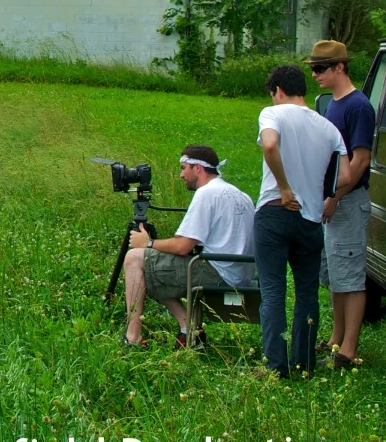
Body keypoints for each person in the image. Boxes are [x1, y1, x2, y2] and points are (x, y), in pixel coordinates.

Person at [255, 65, 348, 378]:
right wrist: (326, 198)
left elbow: (269, 145)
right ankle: (304, 361)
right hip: (310, 218)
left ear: (278, 90)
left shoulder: (273, 114)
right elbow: (345, 175)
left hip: (274, 211)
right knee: (307, 293)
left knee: (273, 291)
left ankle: (276, 365)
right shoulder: (328, 128)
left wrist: (283, 187)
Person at [122, 145, 255, 349]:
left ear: (198, 169)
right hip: (239, 272)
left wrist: (147, 243)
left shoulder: (207, 194)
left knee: (135, 259)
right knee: (156, 263)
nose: (181, 175)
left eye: (184, 168)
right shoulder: (239, 195)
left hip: (218, 272)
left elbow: (183, 246)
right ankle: (188, 325)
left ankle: (132, 338)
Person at [308, 40, 376, 369]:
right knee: (336, 275)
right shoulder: (331, 104)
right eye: (312, 69)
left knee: (350, 277)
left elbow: (361, 161)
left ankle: (349, 349)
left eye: (320, 68)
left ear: (340, 67)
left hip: (348, 202)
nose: (315, 74)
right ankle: (336, 338)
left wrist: (335, 198)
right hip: (333, 203)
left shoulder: (358, 106)